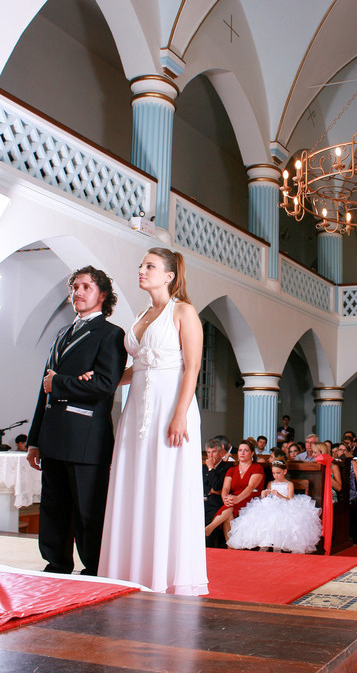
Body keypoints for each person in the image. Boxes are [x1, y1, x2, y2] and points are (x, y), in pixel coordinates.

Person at [97, 248, 208, 595]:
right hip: (136, 410)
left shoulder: (183, 311)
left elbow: (192, 366)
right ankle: (132, 569)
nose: (141, 270)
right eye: (141, 265)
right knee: (134, 480)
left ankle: (164, 574)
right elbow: (139, 367)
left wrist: (179, 415)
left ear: (170, 275)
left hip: (171, 408)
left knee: (165, 482)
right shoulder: (143, 313)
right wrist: (105, 380)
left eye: (149, 266)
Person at [27, 266, 127, 575]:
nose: (78, 292)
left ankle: (95, 569)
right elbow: (44, 388)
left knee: (88, 510)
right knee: (54, 507)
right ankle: (56, 563)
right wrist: (34, 438)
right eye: (75, 287)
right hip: (54, 433)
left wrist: (60, 382)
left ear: (103, 295)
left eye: (86, 287)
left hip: (86, 437)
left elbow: (103, 386)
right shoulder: (61, 333)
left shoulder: (111, 334)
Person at [227, 459, 322, 553]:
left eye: (278, 473)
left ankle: (278, 546)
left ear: (284, 471)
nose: (275, 476)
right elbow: (267, 496)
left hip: (285, 505)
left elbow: (290, 500)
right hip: (270, 504)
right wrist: (264, 494)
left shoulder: (289, 484)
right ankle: (264, 543)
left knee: (279, 519)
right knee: (264, 518)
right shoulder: (270, 483)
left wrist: (278, 495)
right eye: (274, 473)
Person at [205, 439, 265, 541]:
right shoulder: (232, 469)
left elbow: (251, 487)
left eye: (246, 450)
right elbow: (226, 488)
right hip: (233, 500)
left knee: (229, 507)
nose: (242, 453)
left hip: (250, 498)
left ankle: (209, 528)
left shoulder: (257, 468)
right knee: (229, 510)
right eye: (240, 450)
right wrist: (225, 498)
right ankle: (230, 547)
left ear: (252, 453)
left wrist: (237, 499)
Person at [203, 438, 233, 546]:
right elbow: (201, 487)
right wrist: (210, 490)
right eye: (208, 452)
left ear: (221, 453)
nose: (211, 456)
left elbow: (216, 486)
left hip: (216, 503)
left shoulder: (227, 467)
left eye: (214, 452)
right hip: (203, 501)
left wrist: (211, 468)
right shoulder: (203, 467)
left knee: (209, 522)